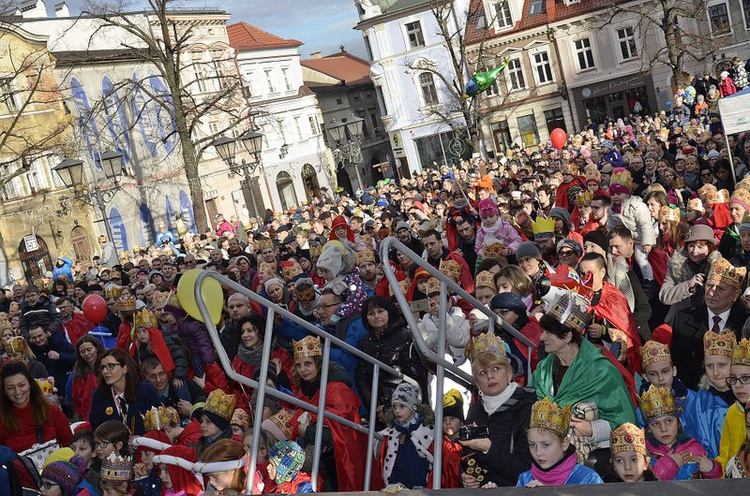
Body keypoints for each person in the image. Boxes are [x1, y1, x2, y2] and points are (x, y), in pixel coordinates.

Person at [532, 293, 637, 475]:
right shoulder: (543, 369)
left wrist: (593, 429)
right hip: (548, 456)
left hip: (594, 463)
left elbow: (627, 423)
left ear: (566, 337)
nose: (542, 337)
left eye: (548, 333)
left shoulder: (601, 372)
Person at [290, 335, 372, 491]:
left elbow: (341, 434)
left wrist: (308, 430)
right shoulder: (307, 388)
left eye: (308, 364)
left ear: (319, 364)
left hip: (339, 461)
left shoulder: (337, 390)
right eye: (299, 365)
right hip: (323, 462)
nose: (303, 370)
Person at [459, 333, 535, 487]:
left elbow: (527, 471)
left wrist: (488, 448)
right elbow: (467, 456)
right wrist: (467, 477)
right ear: (477, 383)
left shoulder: (528, 407)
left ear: (509, 373)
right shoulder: (475, 410)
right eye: (482, 372)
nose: (490, 376)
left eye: (496, 368)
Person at [670, 257, 746, 390]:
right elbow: (678, 366)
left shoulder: (746, 323)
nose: (711, 292)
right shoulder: (683, 319)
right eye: (709, 285)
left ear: (736, 294)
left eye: (721, 289)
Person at [356, 296, 428, 423]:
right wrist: (374, 407)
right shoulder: (364, 342)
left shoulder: (404, 336)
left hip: (405, 407)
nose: (376, 316)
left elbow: (414, 376)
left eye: (380, 311)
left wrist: (390, 408)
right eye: (371, 313)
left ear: (389, 312)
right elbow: (361, 378)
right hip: (377, 410)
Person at [640, 385, 721, 480]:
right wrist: (670, 464)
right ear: (648, 428)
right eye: (656, 424)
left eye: (669, 421)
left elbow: (717, 481)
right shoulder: (644, 454)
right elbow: (647, 484)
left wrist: (712, 468)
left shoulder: (694, 447)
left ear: (678, 422)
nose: (664, 429)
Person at [517, 397, 603, 486]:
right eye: (533, 445)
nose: (538, 452)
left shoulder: (587, 479)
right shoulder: (524, 479)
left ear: (564, 443)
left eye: (545, 445)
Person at [0, 362, 72, 453]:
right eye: (10, 388)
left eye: (22, 385)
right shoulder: (2, 420)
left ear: (30, 384)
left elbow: (70, 445)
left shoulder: (51, 411)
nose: (17, 392)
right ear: (4, 390)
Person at [89, 348, 162, 435]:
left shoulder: (146, 391)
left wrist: (142, 440)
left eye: (110, 366)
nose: (105, 371)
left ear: (124, 368)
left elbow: (160, 426)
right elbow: (97, 431)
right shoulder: (99, 396)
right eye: (103, 368)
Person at [659, 225, 721, 324]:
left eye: (700, 247)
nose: (694, 251)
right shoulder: (676, 264)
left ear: (709, 248)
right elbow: (664, 296)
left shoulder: (718, 266)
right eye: (691, 246)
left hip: (707, 321)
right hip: (679, 320)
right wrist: (688, 286)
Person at [379, 381, 434, 489]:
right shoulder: (391, 433)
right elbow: (390, 463)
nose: (397, 411)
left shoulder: (427, 431)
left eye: (402, 406)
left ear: (413, 406)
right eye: (394, 407)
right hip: (396, 486)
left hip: (420, 486)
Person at [718, 337, 750, 472]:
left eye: (745, 378)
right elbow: (725, 456)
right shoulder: (732, 412)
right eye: (733, 379)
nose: (737, 385)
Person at [67, 335, 106, 421]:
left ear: (96, 348)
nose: (86, 354)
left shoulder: (106, 367)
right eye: (82, 352)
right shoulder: (77, 373)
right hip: (86, 415)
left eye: (89, 350)